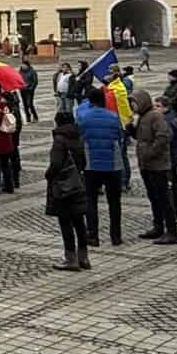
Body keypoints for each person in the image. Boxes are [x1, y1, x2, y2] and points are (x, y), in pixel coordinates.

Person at [75, 93, 124, 246]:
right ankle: (116, 236)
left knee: (91, 200)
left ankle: (93, 236)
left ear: (91, 102)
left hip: (92, 164)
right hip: (113, 164)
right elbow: (119, 135)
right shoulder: (114, 116)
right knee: (114, 202)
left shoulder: (84, 117)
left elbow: (80, 137)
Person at [45, 114, 91, 270]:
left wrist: (48, 175)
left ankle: (70, 258)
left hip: (63, 186)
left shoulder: (60, 140)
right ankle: (83, 257)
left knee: (65, 222)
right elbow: (83, 162)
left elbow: (56, 164)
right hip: (77, 183)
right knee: (79, 221)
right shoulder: (78, 137)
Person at [134, 96, 177, 244]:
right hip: (146, 164)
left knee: (164, 198)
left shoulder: (156, 116)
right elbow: (141, 137)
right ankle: (158, 226)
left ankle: (172, 232)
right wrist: (130, 129)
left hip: (158, 165)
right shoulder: (142, 117)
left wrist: (151, 152)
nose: (132, 106)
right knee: (153, 197)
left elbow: (164, 137)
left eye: (134, 102)